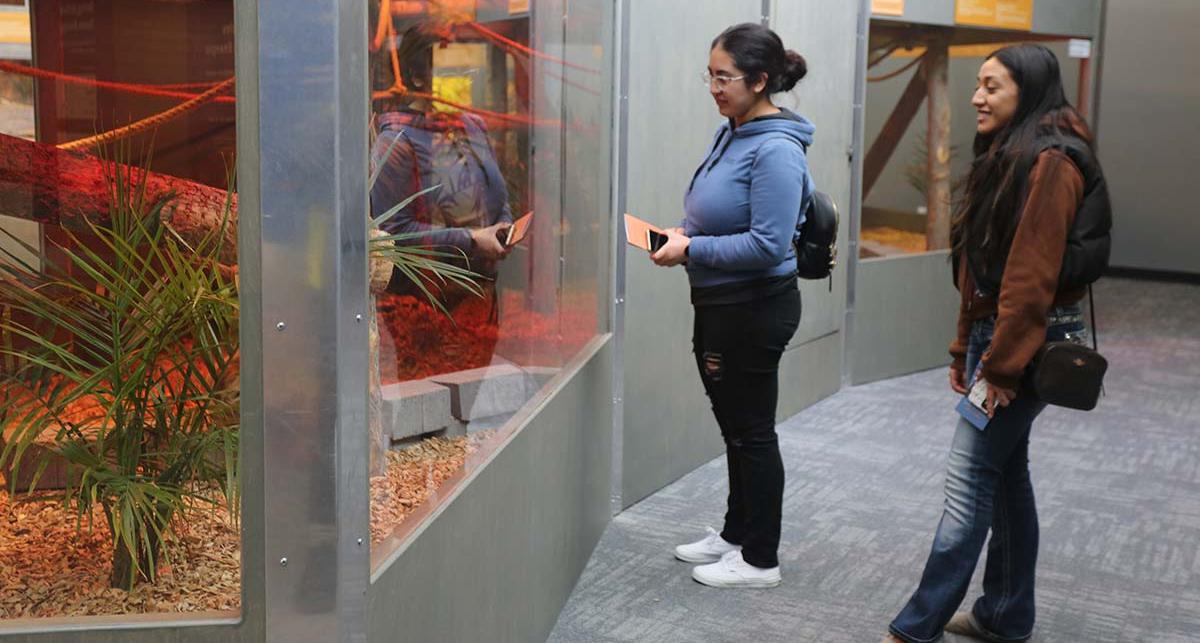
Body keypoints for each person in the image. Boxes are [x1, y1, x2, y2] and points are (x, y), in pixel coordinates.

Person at [885, 44, 1111, 642]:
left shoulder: (1053, 162)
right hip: (1002, 335)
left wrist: (1002, 368)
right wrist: (966, 345)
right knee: (1007, 475)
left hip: (1026, 341)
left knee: (967, 481)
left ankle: (915, 628)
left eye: (992, 86)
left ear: (1027, 91)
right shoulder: (1012, 152)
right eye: (978, 85)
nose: (977, 97)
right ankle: (1006, 616)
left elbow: (1031, 280)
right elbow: (979, 266)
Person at [649, 22, 814, 589]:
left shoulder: (775, 149)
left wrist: (691, 247)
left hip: (754, 307)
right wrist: (685, 231)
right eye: (710, 75)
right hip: (721, 301)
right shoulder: (734, 130)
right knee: (735, 429)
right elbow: (724, 213)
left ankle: (760, 559)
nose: (714, 87)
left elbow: (769, 244)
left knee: (752, 431)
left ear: (761, 80)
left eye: (726, 77)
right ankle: (735, 533)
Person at [370, 23, 513, 300]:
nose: (464, 81)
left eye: (467, 72)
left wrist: (504, 228)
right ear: (417, 77)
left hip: (484, 291)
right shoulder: (396, 142)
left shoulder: (473, 126)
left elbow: (498, 197)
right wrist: (471, 240)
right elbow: (392, 234)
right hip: (425, 302)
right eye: (450, 72)